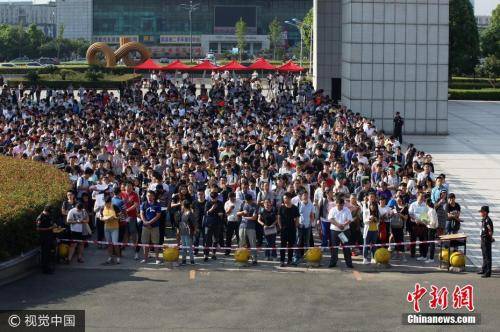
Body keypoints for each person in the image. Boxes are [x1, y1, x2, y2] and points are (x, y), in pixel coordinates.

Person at [328, 197, 353, 268]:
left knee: (346, 247)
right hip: (335, 232)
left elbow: (350, 219)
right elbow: (330, 219)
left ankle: (349, 263)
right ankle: (333, 262)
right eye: (339, 205)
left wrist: (344, 225)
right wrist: (338, 225)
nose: (340, 207)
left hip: (344, 232)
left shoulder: (347, 210)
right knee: (334, 248)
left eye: (342, 205)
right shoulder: (332, 210)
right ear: (336, 204)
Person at [277, 192, 300, 267]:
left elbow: (297, 218)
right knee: (283, 246)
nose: (284, 200)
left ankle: (289, 260)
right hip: (283, 230)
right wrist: (280, 227)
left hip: (292, 230)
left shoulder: (295, 208)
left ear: (290, 199)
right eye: (284, 198)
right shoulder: (281, 207)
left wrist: (296, 226)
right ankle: (282, 261)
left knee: (291, 246)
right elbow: (279, 218)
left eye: (286, 198)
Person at [140, 190, 162, 264]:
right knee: (145, 243)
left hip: (155, 226)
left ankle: (157, 258)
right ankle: (145, 258)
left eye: (151, 195)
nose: (149, 197)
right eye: (148, 195)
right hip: (145, 226)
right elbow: (141, 214)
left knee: (156, 243)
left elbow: (158, 215)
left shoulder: (157, 204)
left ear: (154, 196)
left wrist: (149, 222)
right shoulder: (144, 204)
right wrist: (145, 222)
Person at [237, 193, 259, 264]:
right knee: (242, 243)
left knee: (253, 243)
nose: (247, 202)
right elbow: (237, 213)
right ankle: (241, 258)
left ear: (251, 200)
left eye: (248, 201)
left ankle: (254, 259)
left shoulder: (255, 206)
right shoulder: (243, 204)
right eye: (246, 201)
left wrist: (244, 217)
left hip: (251, 227)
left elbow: (254, 218)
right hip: (242, 226)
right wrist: (242, 212)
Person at [294, 191, 315, 264]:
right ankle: (297, 256)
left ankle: (307, 257)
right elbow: (296, 216)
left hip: (307, 226)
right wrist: (297, 224)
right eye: (304, 195)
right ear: (301, 196)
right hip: (300, 226)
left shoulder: (311, 205)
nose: (305, 197)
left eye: (306, 195)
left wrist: (311, 223)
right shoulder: (298, 204)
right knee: (298, 242)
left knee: (307, 242)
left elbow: (312, 215)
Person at [36, 205, 56, 274]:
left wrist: (54, 225)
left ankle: (48, 266)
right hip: (44, 238)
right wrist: (49, 228)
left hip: (49, 237)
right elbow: (38, 228)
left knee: (49, 253)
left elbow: (51, 223)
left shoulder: (48, 216)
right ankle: (45, 269)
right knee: (45, 253)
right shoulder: (40, 217)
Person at [102, 196, 120, 264]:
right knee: (109, 244)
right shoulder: (102, 208)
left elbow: (120, 216)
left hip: (115, 228)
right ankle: (110, 257)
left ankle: (118, 257)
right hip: (106, 228)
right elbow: (100, 217)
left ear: (110, 202)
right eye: (106, 204)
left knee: (115, 243)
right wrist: (103, 218)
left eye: (108, 203)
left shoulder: (115, 207)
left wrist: (115, 218)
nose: (107, 205)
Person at [178, 200, 196, 265]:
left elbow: (194, 224)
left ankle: (192, 261)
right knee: (184, 247)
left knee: (189, 248)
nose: (181, 206)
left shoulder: (190, 213)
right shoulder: (183, 213)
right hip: (183, 232)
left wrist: (193, 232)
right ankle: (184, 260)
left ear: (184, 206)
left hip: (188, 233)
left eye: (182, 205)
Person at [224, 191, 242, 256]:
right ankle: (227, 251)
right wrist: (230, 208)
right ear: (229, 198)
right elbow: (226, 213)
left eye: (233, 198)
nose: (232, 199)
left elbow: (243, 210)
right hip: (230, 221)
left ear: (235, 197)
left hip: (238, 221)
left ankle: (240, 251)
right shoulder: (227, 203)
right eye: (231, 198)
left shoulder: (240, 202)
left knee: (239, 237)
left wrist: (240, 212)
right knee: (228, 237)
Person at [478, 206, 494, 278]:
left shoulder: (488, 220)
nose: (480, 213)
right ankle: (484, 269)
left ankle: (488, 272)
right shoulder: (484, 219)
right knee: (484, 255)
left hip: (486, 240)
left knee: (487, 256)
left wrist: (490, 238)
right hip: (483, 239)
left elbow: (490, 231)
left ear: (485, 212)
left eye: (481, 212)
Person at [425, 199, 438, 263]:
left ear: (427, 203)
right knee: (429, 243)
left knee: (431, 243)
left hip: (432, 228)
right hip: (429, 227)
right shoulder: (429, 210)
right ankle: (426, 257)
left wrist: (426, 222)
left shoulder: (432, 210)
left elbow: (433, 222)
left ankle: (431, 258)